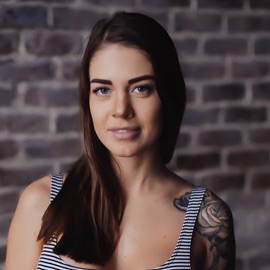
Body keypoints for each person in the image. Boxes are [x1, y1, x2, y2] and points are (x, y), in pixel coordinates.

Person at [5, 11, 235, 270]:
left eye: (141, 88)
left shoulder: (208, 220)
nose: (121, 109)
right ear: (88, 101)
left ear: (168, 96)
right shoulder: (41, 203)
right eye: (103, 90)